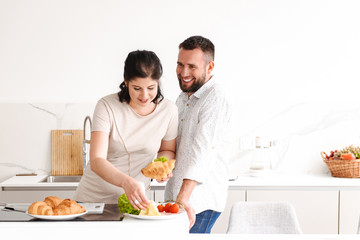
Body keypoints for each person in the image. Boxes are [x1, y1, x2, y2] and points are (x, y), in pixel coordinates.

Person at [74, 50, 178, 210]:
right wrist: (126, 182)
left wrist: (160, 167)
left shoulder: (168, 110)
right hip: (94, 200)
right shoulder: (107, 106)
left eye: (151, 87)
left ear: (158, 82)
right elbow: (96, 160)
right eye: (137, 88)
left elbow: (167, 149)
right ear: (126, 82)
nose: (145, 95)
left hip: (138, 201)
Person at [164, 36, 233, 233]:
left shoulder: (216, 98)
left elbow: (203, 151)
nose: (183, 73)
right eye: (180, 64)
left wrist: (183, 199)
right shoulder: (183, 97)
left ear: (210, 67)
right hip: (179, 198)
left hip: (198, 202)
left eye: (192, 66)